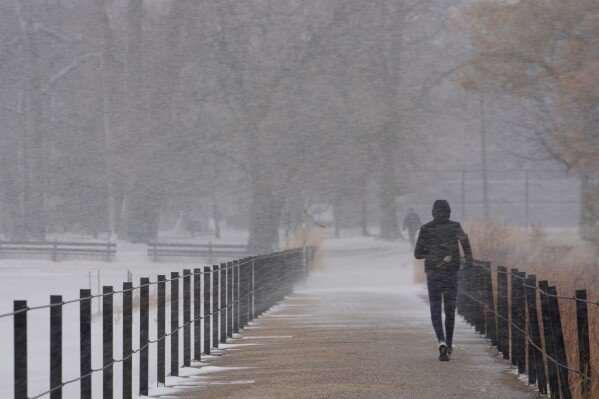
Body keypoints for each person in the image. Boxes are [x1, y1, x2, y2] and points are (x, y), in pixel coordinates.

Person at [414, 200, 473, 361]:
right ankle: (450, 343)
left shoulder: (426, 229)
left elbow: (418, 254)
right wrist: (468, 261)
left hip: (433, 273)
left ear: (433, 212)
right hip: (451, 273)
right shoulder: (455, 226)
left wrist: (433, 255)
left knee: (435, 308)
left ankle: (441, 340)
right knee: (449, 309)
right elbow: (466, 244)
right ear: (449, 212)